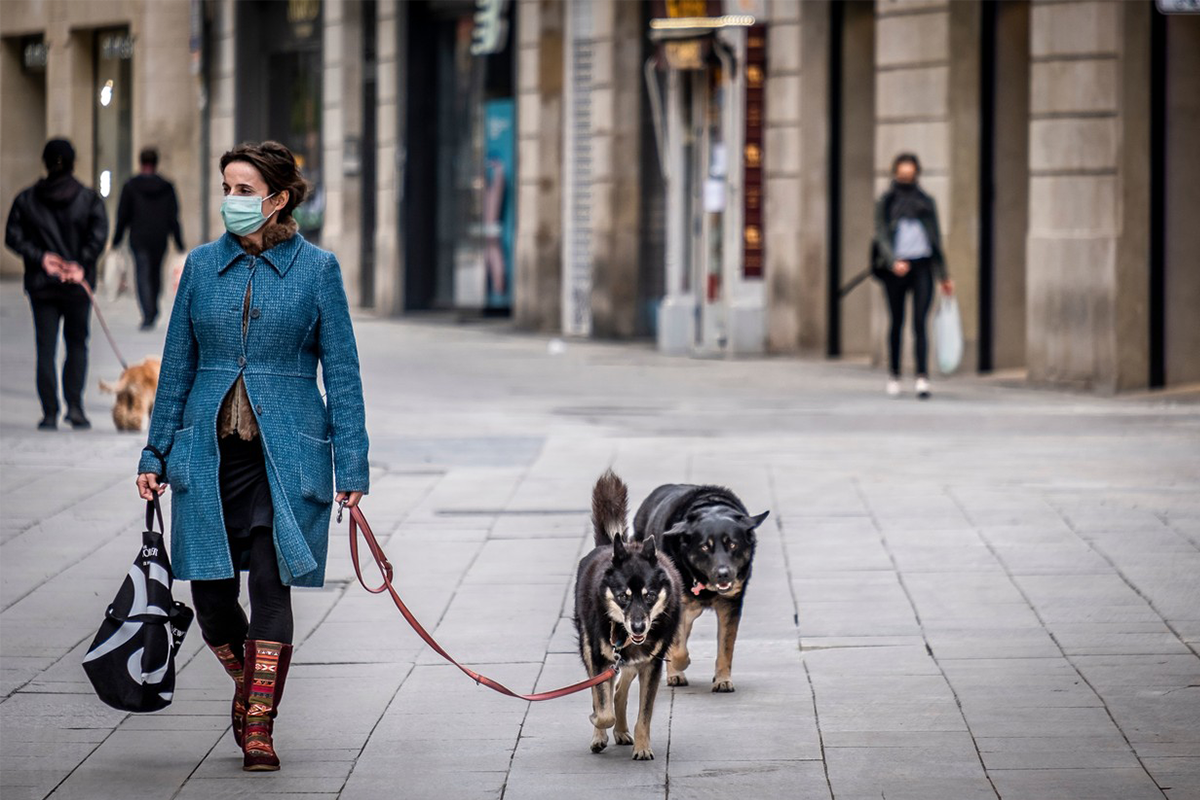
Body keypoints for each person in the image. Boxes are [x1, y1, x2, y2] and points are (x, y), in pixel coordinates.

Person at [134, 141, 369, 772]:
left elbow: (342, 374)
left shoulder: (318, 270)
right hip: (208, 461)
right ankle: (249, 687)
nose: (231, 202)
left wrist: (353, 468)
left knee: (270, 584)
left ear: (278, 198)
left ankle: (259, 724)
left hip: (285, 459)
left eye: (244, 191)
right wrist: (153, 453)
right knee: (210, 597)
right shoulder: (200, 268)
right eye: (227, 188)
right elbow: (177, 368)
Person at [5, 139, 108, 430]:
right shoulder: (88, 198)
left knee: (45, 347)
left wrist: (41, 258)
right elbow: (99, 234)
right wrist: (80, 262)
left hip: (42, 285)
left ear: (45, 161)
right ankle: (75, 407)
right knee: (77, 344)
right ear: (73, 162)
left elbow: (12, 235)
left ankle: (49, 412)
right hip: (77, 284)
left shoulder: (26, 199)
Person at [872, 152, 953, 400]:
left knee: (920, 321)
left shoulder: (926, 202)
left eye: (910, 173)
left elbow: (936, 239)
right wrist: (892, 261)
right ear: (895, 173)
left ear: (917, 173)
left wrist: (944, 275)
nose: (906, 177)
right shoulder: (886, 202)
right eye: (902, 173)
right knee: (896, 322)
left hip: (922, 266)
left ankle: (922, 377)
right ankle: (894, 374)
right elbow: (881, 235)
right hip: (896, 268)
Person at [112, 148, 185, 329]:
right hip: (159, 237)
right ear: (156, 162)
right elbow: (173, 216)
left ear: (140, 161)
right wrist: (178, 241)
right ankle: (153, 309)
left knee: (142, 274)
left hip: (138, 237)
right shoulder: (167, 187)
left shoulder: (130, 186)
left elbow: (123, 215)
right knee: (155, 273)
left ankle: (148, 312)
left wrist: (116, 239)